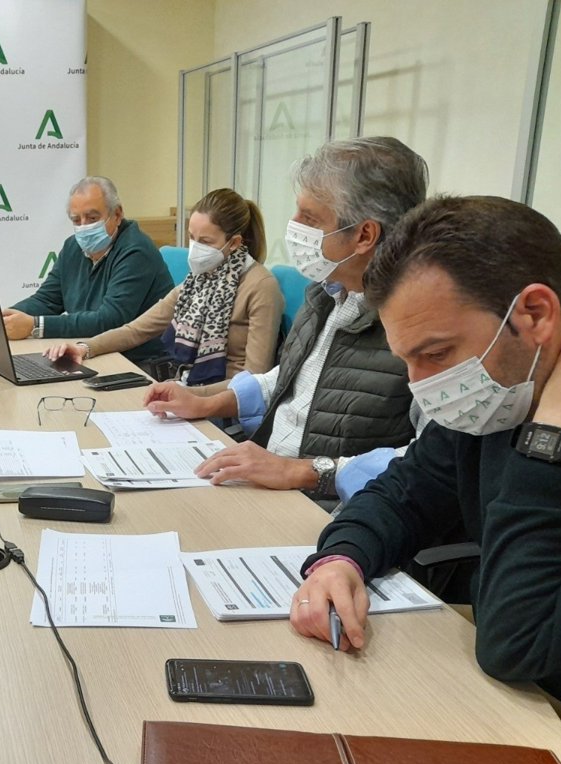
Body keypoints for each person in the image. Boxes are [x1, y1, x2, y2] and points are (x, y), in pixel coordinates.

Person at [291, 194, 561, 764]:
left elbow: (517, 642)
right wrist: (342, 558)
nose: (420, 384)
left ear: (533, 314)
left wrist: (551, 441)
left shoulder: (546, 412)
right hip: (528, 684)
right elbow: (405, 492)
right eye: (408, 360)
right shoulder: (508, 386)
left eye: (435, 353)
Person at [143, 137, 426, 499]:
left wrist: (302, 472)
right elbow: (290, 378)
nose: (293, 225)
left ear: (364, 235)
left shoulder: (419, 328)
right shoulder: (327, 293)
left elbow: (427, 461)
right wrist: (205, 402)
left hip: (326, 503)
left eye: (310, 218)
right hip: (269, 478)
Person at [44, 188, 282, 383]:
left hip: (226, 403)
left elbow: (255, 381)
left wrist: (191, 397)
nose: (195, 248)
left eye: (206, 241)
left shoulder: (261, 287)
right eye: (192, 238)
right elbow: (137, 329)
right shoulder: (200, 280)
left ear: (235, 243)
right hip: (188, 385)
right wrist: (85, 348)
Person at [4, 176, 173, 363]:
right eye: (76, 220)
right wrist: (4, 318)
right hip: (89, 351)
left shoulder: (136, 251)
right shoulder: (72, 246)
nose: (84, 227)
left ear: (117, 215)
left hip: (139, 362)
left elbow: (110, 320)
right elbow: (47, 299)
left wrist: (35, 325)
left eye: (92, 218)